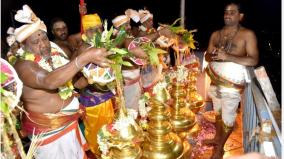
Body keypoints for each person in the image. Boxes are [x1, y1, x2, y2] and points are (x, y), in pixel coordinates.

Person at [12, 5, 112, 159]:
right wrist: (85, 57)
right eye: (35, 42)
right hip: (49, 134)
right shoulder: (23, 65)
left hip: (69, 125)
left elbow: (71, 85)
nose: (43, 44)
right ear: (23, 46)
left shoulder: (53, 56)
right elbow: (49, 81)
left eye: (44, 38)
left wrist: (91, 78)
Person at [204, 1, 259, 159]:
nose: (227, 15)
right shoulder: (216, 34)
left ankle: (219, 149)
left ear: (240, 16)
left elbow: (253, 60)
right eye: (226, 12)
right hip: (215, 81)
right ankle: (216, 138)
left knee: (228, 118)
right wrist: (213, 54)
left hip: (232, 85)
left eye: (232, 12)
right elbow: (207, 56)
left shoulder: (247, 35)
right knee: (219, 113)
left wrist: (228, 56)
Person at [76, 13, 115, 157]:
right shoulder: (83, 49)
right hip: (93, 102)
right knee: (98, 136)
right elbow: (77, 81)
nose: (97, 33)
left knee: (109, 131)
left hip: (106, 96)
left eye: (99, 28)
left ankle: (108, 153)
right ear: (85, 32)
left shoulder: (101, 46)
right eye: (92, 30)